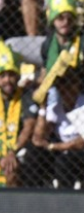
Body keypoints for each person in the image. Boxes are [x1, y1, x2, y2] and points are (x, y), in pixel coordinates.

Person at [0, 41, 38, 187]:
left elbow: (29, 126)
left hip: (18, 150)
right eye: (2, 76)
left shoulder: (26, 96)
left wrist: (12, 151)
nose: (7, 80)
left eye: (11, 75)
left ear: (17, 76)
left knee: (11, 169)